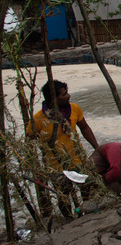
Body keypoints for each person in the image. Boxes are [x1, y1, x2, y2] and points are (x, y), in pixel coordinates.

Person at [26, 80, 99, 218]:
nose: (68, 96)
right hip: (56, 167)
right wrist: (35, 168)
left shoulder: (74, 109)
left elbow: (84, 128)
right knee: (64, 197)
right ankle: (69, 220)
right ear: (54, 99)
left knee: (87, 190)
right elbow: (29, 144)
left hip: (78, 160)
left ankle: (87, 217)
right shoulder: (38, 120)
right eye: (64, 94)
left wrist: (97, 148)